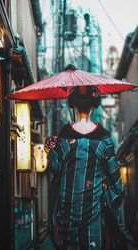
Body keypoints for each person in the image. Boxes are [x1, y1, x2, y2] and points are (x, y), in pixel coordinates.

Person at [45, 86, 125, 250]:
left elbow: (53, 169)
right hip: (95, 218)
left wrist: (50, 150)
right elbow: (116, 183)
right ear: (94, 105)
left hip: (66, 218)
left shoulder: (64, 137)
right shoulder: (103, 138)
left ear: (73, 105)